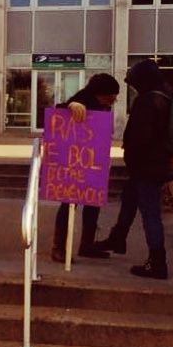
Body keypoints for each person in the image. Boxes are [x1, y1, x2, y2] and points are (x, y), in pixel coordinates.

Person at [93, 59, 173, 279]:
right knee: (130, 196)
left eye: (134, 84)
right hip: (165, 162)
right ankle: (118, 238)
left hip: (149, 166)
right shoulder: (169, 95)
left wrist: (131, 158)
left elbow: (140, 138)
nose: (133, 88)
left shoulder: (149, 100)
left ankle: (158, 262)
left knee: (150, 212)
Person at [50, 74, 120, 263]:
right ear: (101, 93)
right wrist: (71, 106)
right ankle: (59, 247)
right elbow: (59, 111)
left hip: (94, 163)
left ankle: (87, 244)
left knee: (93, 204)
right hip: (75, 165)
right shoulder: (82, 100)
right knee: (68, 205)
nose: (115, 98)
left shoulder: (104, 106)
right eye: (112, 94)